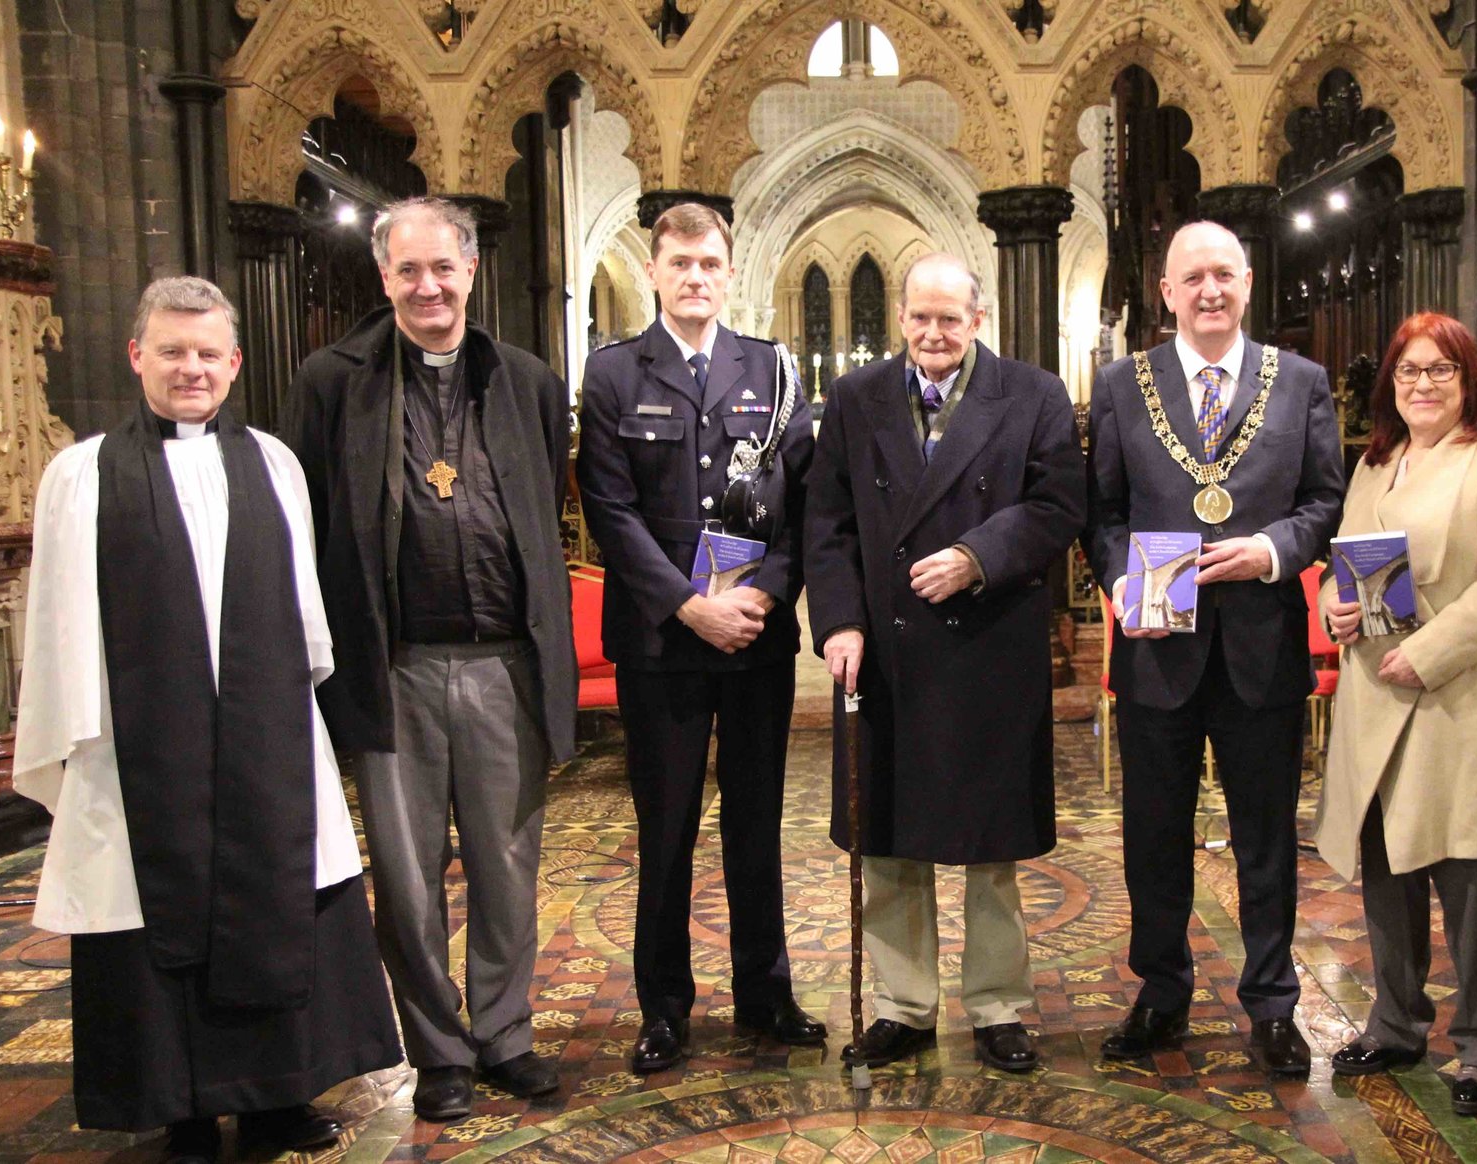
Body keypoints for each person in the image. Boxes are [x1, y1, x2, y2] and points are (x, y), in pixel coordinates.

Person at [15, 277, 402, 1163]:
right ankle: (181, 1108)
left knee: (286, 890)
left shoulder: (273, 463)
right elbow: (60, 621)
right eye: (171, 351)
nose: (190, 368)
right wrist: (72, 744)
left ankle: (277, 1097)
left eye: (206, 354)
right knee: (150, 917)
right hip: (135, 750)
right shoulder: (79, 476)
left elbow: (307, 616)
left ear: (233, 363)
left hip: (266, 739)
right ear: (136, 357)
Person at [290, 197, 576, 1122]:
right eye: (408, 271)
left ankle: (505, 1035)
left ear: (470, 270)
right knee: (408, 879)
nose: (427, 287)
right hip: (394, 663)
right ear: (384, 278)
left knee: (506, 863)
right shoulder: (331, 382)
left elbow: (540, 519)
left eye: (442, 268)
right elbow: (308, 524)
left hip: (502, 666)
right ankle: (440, 1050)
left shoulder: (527, 378)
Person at [805, 253, 1086, 1071]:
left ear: (978, 320)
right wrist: (839, 623)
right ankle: (902, 1006)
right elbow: (828, 524)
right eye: (920, 318)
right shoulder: (856, 399)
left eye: (950, 320)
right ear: (900, 317)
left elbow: (1059, 503)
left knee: (990, 845)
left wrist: (975, 555)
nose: (934, 334)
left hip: (987, 641)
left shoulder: (1031, 394)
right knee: (889, 840)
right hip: (885, 651)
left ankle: (998, 1007)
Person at [1083, 220, 1344, 1076]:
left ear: (1247, 284)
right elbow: (1105, 515)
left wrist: (1270, 551)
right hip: (1158, 648)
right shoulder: (1124, 386)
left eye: (1224, 275)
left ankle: (1273, 1004)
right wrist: (1125, 583)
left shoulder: (1299, 381)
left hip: (1261, 645)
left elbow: (1322, 501)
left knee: (1265, 835)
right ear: (1165, 292)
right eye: (1192, 278)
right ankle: (1161, 992)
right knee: (1153, 834)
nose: (1210, 292)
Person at [576, 201, 823, 1074]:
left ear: (730, 270)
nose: (694, 277)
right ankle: (665, 1009)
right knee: (668, 828)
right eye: (679, 262)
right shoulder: (612, 376)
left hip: (753, 640)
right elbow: (610, 512)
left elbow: (804, 507)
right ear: (654, 270)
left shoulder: (773, 371)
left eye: (709, 262)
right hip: (662, 645)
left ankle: (765, 994)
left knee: (757, 826)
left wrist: (762, 598)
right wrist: (690, 606)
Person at [1315, 313, 1477, 1116]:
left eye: (1439, 371)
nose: (1422, 385)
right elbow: (1341, 566)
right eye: (1409, 372)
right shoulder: (1376, 463)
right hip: (1374, 691)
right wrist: (1335, 607)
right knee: (1385, 871)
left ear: (1467, 378)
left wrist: (1434, 649)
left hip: (1448, 695)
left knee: (1464, 877)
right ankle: (1397, 1020)